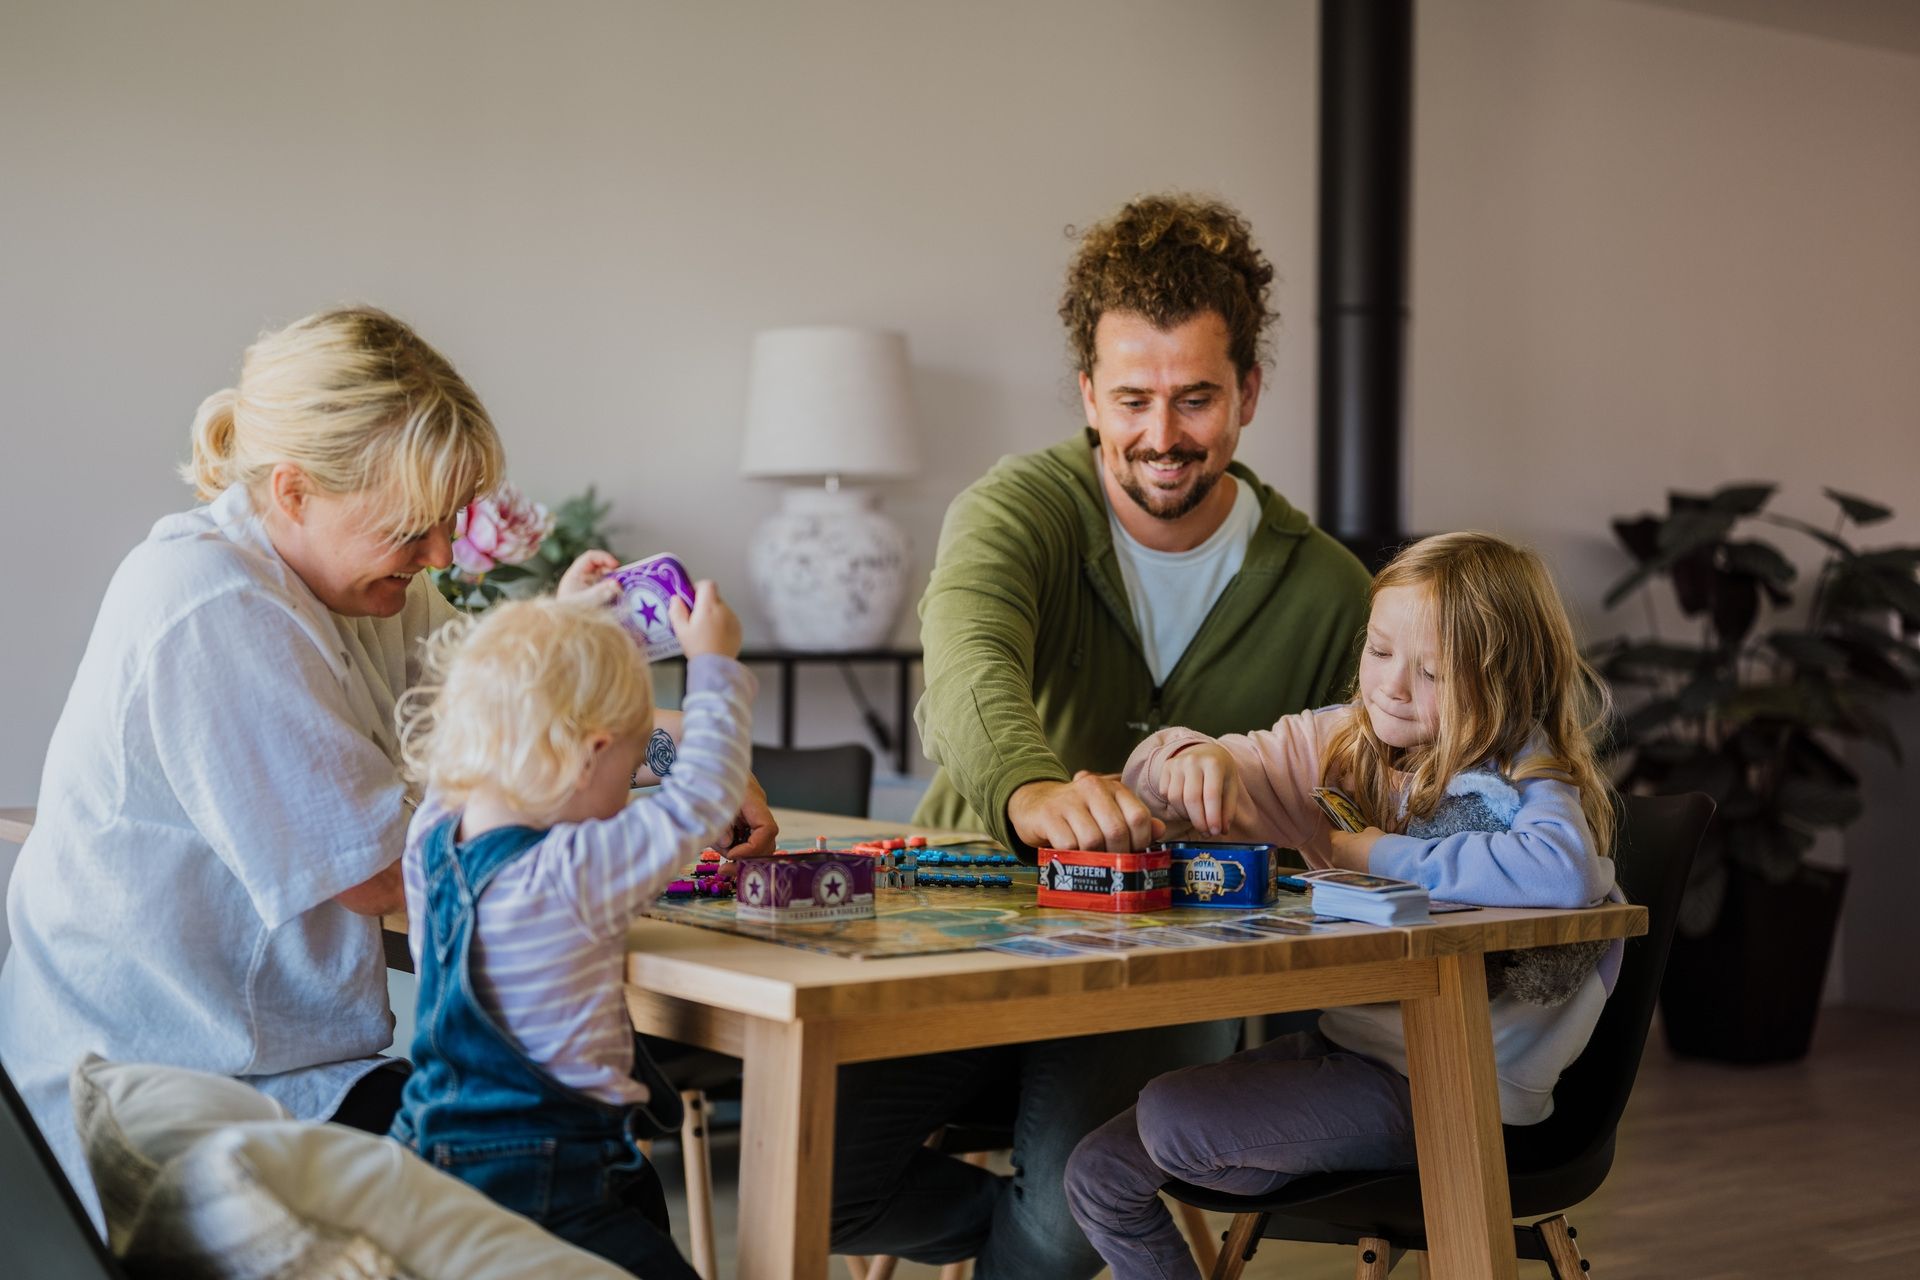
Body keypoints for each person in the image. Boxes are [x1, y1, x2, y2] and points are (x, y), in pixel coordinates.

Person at [0, 306, 776, 1222]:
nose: (442, 556)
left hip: (275, 1069)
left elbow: (514, 740)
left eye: (449, 523)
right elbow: (380, 871)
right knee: (579, 1186)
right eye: (412, 529)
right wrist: (677, 786)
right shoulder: (207, 603)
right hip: (167, 1100)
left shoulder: (367, 590)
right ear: (293, 492)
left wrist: (664, 745)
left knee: (589, 1165)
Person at [830, 195, 1371, 1276]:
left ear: (1250, 392)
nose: (1161, 435)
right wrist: (1032, 788)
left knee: (1066, 1220)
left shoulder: (1331, 593)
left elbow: (1356, 810)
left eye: (1196, 398)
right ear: (1088, 393)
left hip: (1153, 983)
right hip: (958, 925)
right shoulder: (1017, 508)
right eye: (1131, 397)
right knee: (820, 1180)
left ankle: (1045, 1244)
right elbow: (967, 658)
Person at [1063, 532, 1624, 1280]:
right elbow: (1211, 762)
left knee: (1170, 1116)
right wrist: (1188, 763)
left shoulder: (1522, 769)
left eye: (1431, 671)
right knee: (1096, 1171)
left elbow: (1561, 872)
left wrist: (1373, 853)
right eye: (1381, 650)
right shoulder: (1343, 745)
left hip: (1456, 1085)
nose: (1392, 685)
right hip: (1350, 1054)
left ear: (1505, 685)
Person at [386, 588, 751, 1278]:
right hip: (547, 1179)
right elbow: (702, 795)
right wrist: (714, 666)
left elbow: (504, 706)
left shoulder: (430, 841)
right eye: (633, 763)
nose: (630, 787)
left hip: (427, 1157)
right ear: (590, 756)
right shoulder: (570, 871)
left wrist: (575, 620)